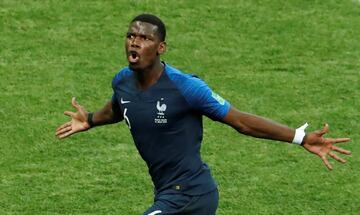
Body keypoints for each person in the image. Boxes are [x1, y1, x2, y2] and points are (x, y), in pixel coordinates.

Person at [55, 14, 351, 215]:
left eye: (143, 38)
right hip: (168, 191)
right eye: (130, 35)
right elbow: (120, 107)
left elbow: (242, 122)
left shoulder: (186, 88)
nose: (134, 42)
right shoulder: (122, 81)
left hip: (191, 193)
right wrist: (91, 119)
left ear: (161, 48)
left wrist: (301, 138)